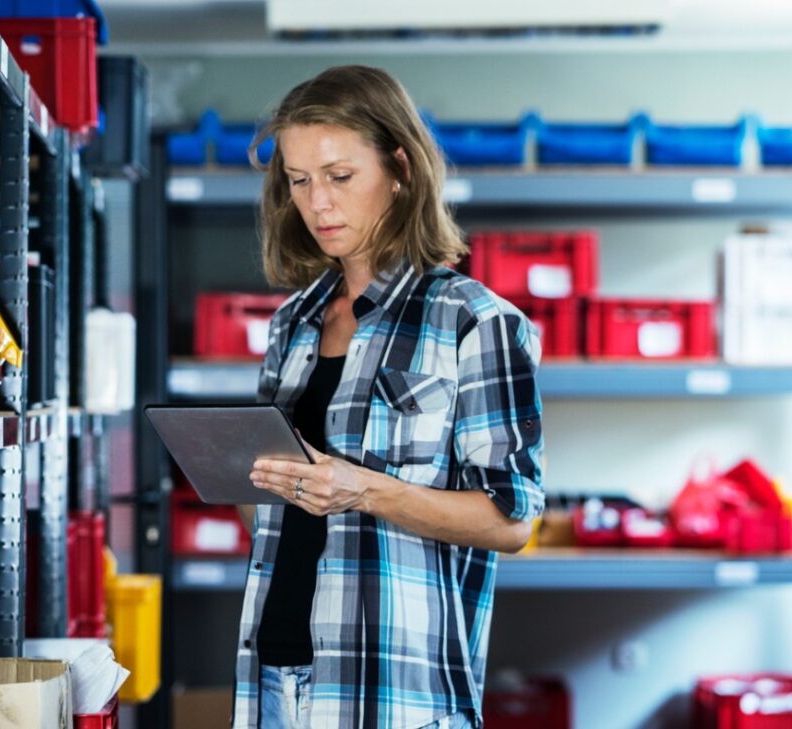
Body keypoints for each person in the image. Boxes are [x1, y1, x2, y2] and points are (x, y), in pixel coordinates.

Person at [233, 65, 545, 729]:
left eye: (340, 176)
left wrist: (365, 489)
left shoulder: (474, 322)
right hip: (273, 679)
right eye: (299, 180)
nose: (317, 203)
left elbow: (512, 519)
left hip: (392, 692)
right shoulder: (292, 322)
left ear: (400, 168)